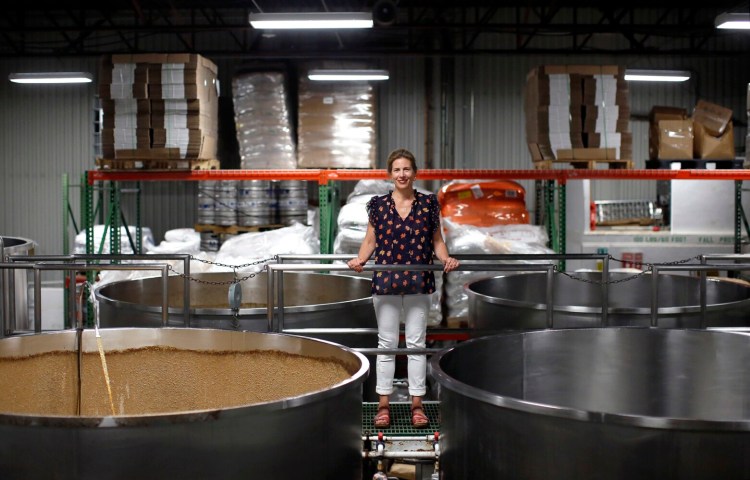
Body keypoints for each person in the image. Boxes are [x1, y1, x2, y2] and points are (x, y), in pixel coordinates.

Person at [347, 148, 459, 429]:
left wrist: (446, 259)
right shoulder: (377, 205)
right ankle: (383, 405)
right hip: (386, 281)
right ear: (390, 174)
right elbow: (370, 240)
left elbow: (437, 240)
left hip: (418, 282)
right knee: (386, 344)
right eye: (397, 169)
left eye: (406, 169)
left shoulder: (429, 204)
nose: (402, 174)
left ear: (415, 172)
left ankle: (417, 405)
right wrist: (361, 259)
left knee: (416, 345)